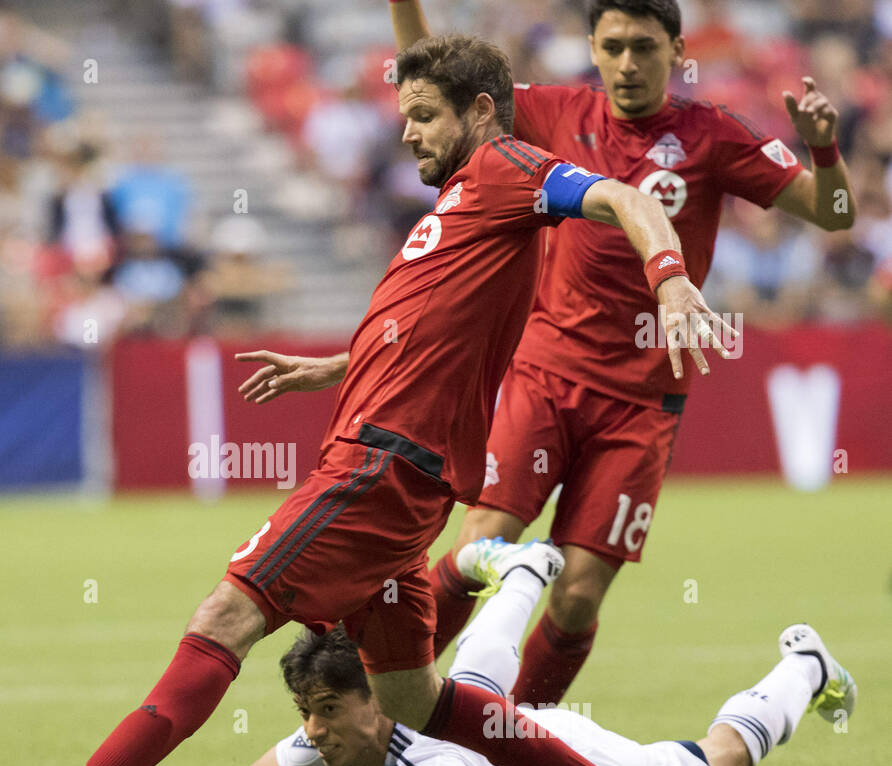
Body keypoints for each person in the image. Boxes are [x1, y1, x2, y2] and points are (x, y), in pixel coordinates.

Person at [0, 32, 734, 766]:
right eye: (403, 115)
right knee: (416, 698)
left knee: (225, 615)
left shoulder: (512, 168)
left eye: (423, 116)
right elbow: (438, 323)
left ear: (480, 111)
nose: (406, 133)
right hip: (408, 476)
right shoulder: (459, 203)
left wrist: (668, 278)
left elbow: (631, 199)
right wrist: (340, 363)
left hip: (377, 467)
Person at [241, 0, 855, 709]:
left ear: (677, 48)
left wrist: (826, 152)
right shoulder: (557, 112)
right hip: (545, 374)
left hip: (643, 401)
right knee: (482, 548)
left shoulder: (711, 134)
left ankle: (517, 735)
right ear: (591, 47)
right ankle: (375, 701)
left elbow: (834, 213)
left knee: (578, 594)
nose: (629, 63)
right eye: (614, 46)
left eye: (646, 48)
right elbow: (435, 73)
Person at [186, 538, 857, 766]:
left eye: (328, 709)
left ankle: (804, 665)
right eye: (308, 710)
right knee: (471, 690)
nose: (314, 729)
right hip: (528, 733)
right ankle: (525, 569)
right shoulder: (338, 735)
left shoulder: (425, 760)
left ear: (375, 704)